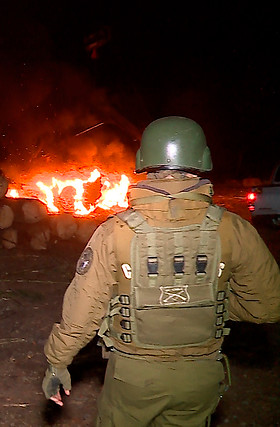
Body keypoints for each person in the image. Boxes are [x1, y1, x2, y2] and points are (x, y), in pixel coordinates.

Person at [42, 116, 280, 426]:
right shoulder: (233, 229)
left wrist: (57, 362)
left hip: (133, 379)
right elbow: (268, 305)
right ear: (202, 160)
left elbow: (82, 314)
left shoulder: (115, 232)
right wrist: (209, 303)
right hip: (200, 377)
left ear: (144, 161)